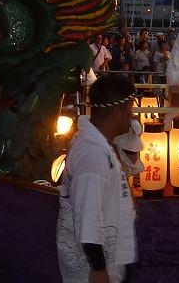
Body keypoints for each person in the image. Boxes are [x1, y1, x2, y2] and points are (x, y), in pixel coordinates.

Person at [57, 74, 138, 283]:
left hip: (104, 259)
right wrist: (99, 269)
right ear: (117, 112)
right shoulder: (92, 155)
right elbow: (88, 215)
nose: (132, 117)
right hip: (91, 269)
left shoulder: (100, 144)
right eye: (130, 110)